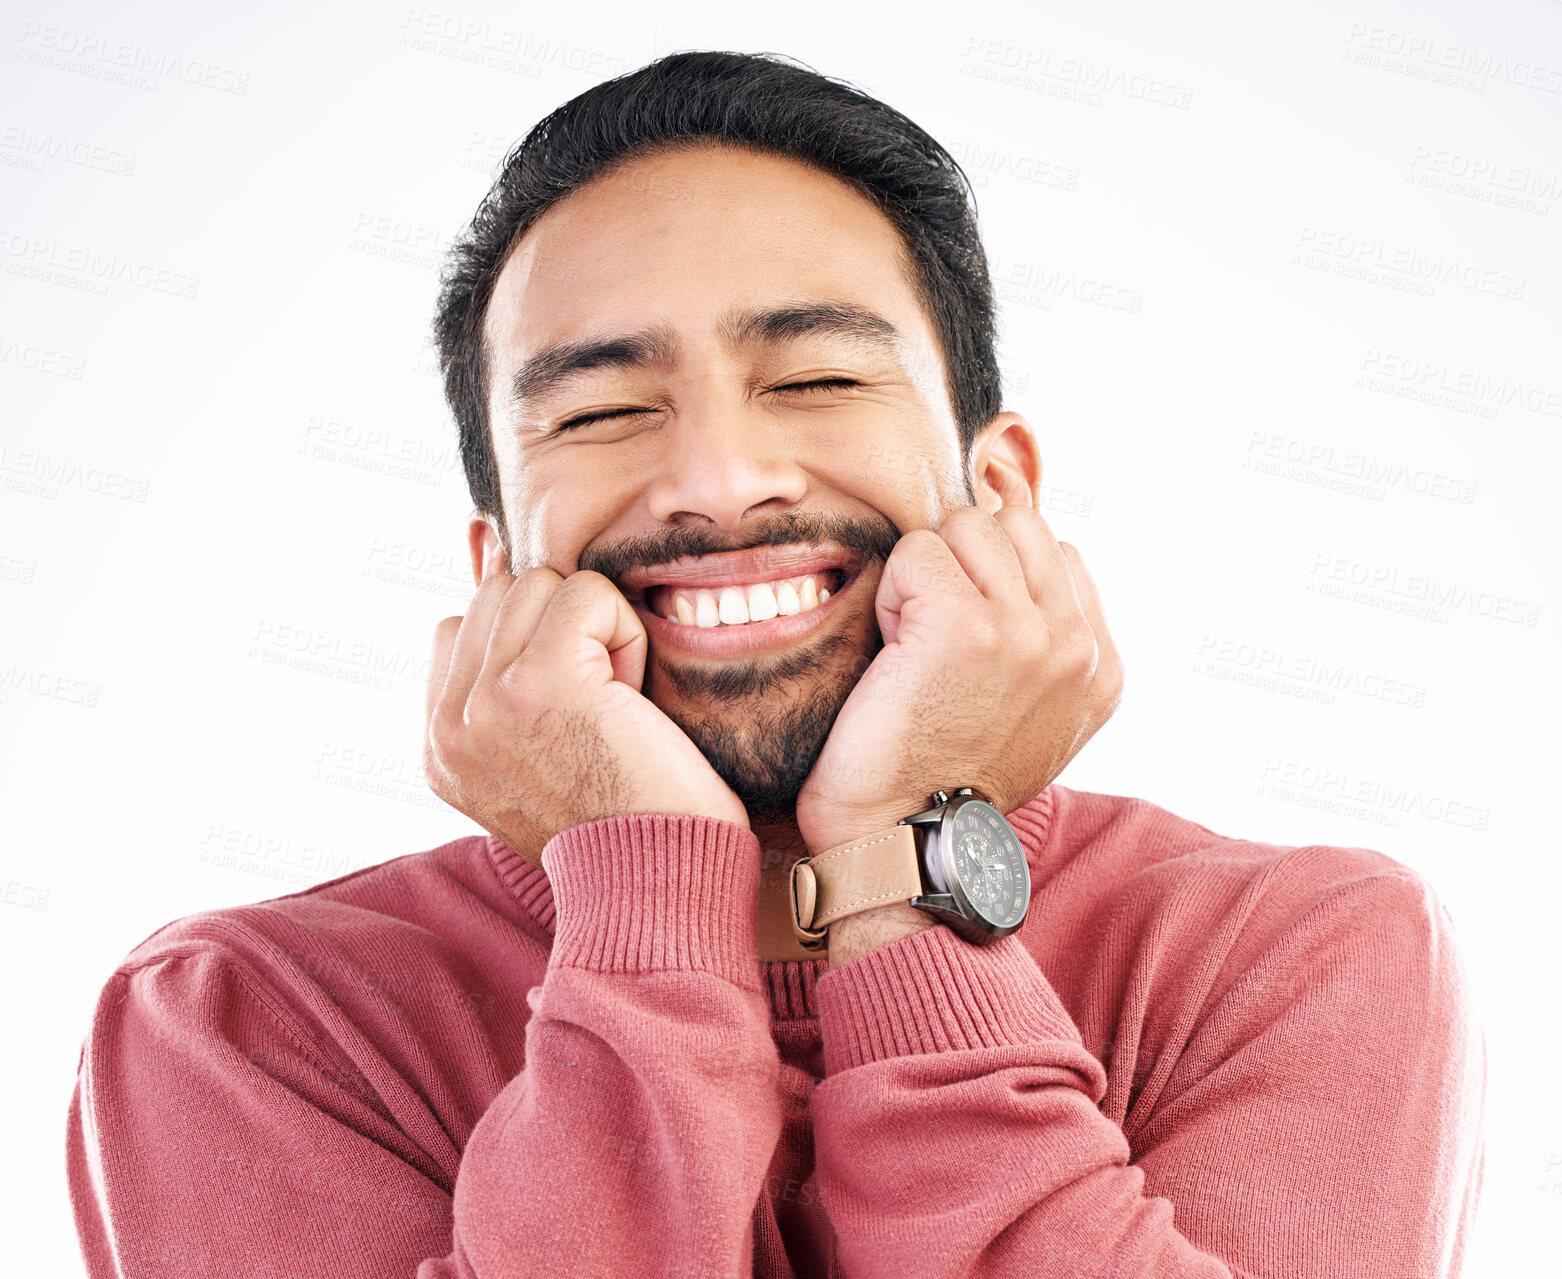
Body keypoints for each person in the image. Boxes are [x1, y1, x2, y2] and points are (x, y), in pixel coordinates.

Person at [66, 50, 1483, 1278]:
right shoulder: (245, 1022)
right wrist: (642, 880)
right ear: (494, 566)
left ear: (1003, 491)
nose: (719, 480)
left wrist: (900, 865)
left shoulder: (1290, 953)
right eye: (604, 410)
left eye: (812, 379)